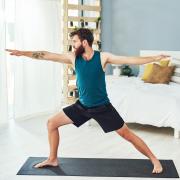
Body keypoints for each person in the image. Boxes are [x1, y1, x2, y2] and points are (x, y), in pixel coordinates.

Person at [6, 28, 169, 174]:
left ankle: (154, 159)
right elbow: (46, 55)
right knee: (51, 123)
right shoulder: (72, 57)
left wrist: (153, 58)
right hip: (82, 106)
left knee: (126, 134)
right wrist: (23, 53)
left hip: (102, 107)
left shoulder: (103, 57)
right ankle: (52, 159)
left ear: (84, 42)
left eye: (75, 42)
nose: (73, 45)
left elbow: (129, 60)